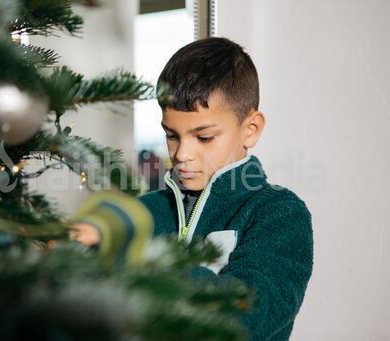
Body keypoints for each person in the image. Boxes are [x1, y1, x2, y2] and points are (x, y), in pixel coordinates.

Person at [73, 37, 313, 341]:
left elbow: (246, 317)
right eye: (172, 135)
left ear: (250, 130)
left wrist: (136, 254)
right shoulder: (144, 211)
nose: (182, 153)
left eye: (204, 137)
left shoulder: (279, 214)